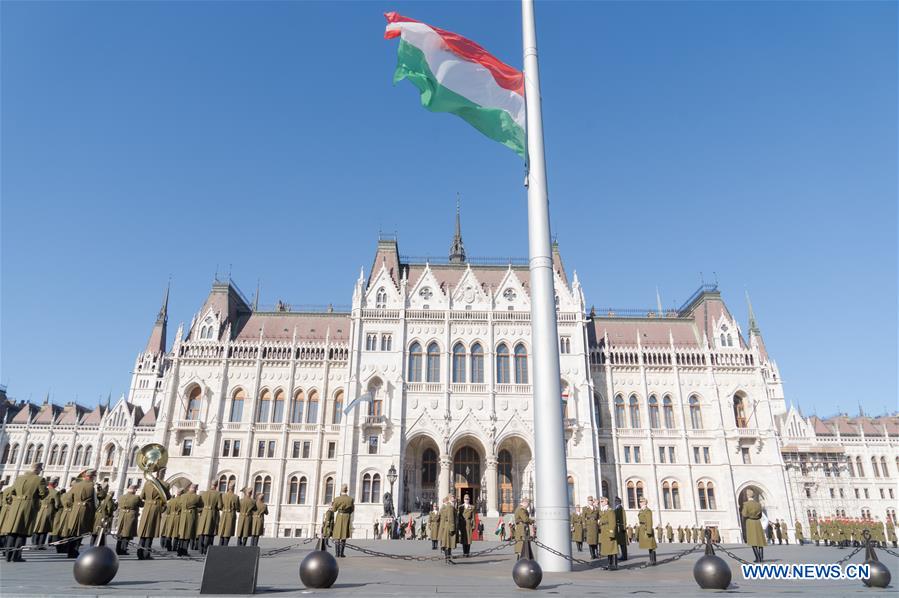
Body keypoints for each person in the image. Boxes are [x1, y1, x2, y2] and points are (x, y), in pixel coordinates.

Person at [4, 462, 48, 562]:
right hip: (28, 506)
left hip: (15, 506)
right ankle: (16, 556)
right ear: (37, 469)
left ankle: (8, 556)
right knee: (22, 532)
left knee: (12, 532)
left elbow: (12, 491)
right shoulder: (39, 479)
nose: (40, 471)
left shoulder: (19, 478)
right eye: (40, 469)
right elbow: (43, 494)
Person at [64, 470, 107, 559]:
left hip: (75, 510)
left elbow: (68, 499)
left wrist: (75, 505)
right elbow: (101, 497)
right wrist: (101, 489)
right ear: (92, 477)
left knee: (73, 531)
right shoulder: (93, 486)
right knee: (80, 532)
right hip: (86, 511)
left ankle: (70, 551)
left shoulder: (76, 485)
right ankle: (74, 551)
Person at [137, 466, 170, 560]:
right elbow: (168, 497)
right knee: (150, 531)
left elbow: (142, 496)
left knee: (143, 531)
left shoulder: (148, 483)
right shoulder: (165, 484)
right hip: (156, 508)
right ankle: (146, 554)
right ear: (163, 473)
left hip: (147, 508)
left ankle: (139, 552)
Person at [31, 477, 61, 550]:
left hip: (40, 510)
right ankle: (40, 545)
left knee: (37, 527)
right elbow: (57, 504)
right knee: (44, 528)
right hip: (48, 511)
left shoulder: (44, 490)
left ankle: (34, 543)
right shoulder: (55, 492)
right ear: (55, 484)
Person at [116, 484, 142, 556]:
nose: (136, 491)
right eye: (136, 490)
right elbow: (142, 504)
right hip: (130, 516)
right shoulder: (136, 497)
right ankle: (123, 549)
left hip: (122, 515)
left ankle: (118, 549)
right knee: (127, 533)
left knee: (120, 533)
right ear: (134, 490)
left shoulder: (121, 497)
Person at [741, 489, 766, 563]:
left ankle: (757, 558)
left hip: (750, 522)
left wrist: (749, 515)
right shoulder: (758, 504)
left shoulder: (746, 504)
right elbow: (760, 515)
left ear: (748, 495)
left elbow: (744, 514)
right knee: (760, 540)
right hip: (757, 522)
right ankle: (761, 557)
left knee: (753, 541)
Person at [197, 483, 221, 555]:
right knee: (209, 531)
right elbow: (219, 506)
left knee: (202, 531)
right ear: (216, 486)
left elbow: (199, 505)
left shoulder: (203, 493)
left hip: (204, 513)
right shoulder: (218, 494)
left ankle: (200, 549)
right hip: (212, 513)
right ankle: (206, 549)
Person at [177, 484, 201, 556]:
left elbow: (179, 505)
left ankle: (179, 550)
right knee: (188, 534)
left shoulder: (182, 496)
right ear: (195, 489)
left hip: (183, 515)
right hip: (191, 515)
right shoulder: (197, 497)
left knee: (182, 533)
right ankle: (184, 551)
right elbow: (201, 505)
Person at [332, 483, 355, 558]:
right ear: (347, 490)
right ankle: (341, 553)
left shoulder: (337, 499)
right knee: (344, 535)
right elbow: (352, 509)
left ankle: (337, 553)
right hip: (346, 517)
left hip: (339, 516)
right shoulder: (350, 499)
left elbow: (334, 510)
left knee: (337, 535)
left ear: (341, 490)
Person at [599, 496, 618, 570]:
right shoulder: (603, 511)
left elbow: (612, 522)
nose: (601, 503)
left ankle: (614, 564)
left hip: (608, 530)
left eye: (602, 501)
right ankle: (609, 564)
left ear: (606, 502)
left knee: (612, 548)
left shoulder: (610, 511)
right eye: (601, 501)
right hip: (604, 531)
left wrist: (611, 533)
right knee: (608, 548)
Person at [218, 481, 239, 546]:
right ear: (233, 488)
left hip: (224, 513)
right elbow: (237, 508)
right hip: (231, 514)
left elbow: (219, 506)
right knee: (228, 531)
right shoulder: (235, 497)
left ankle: (220, 545)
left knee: (222, 530)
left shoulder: (223, 495)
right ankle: (225, 545)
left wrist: (224, 509)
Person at [637, 497, 658, 566]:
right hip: (642, 528)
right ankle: (651, 560)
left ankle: (653, 560)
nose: (639, 503)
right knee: (649, 545)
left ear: (644, 502)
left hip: (646, 529)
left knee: (651, 545)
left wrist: (648, 531)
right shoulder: (642, 510)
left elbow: (649, 521)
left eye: (641, 502)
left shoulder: (647, 511)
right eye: (639, 502)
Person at [163, 486, 182, 551]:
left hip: (171, 517)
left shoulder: (171, 501)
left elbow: (167, 511)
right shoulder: (182, 501)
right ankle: (174, 547)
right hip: (179, 517)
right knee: (176, 534)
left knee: (169, 532)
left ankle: (168, 547)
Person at [438, 495, 457, 563]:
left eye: (454, 497)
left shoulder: (449, 505)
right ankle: (448, 558)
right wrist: (452, 528)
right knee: (448, 543)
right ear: (449, 498)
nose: (454, 498)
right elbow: (450, 518)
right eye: (453, 497)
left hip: (447, 526)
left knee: (447, 543)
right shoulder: (450, 506)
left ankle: (447, 558)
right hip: (449, 527)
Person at [613, 496, 627, 561]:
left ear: (618, 502)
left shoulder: (621, 508)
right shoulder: (616, 508)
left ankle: (624, 556)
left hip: (620, 528)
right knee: (620, 542)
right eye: (615, 501)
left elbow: (623, 518)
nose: (615, 502)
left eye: (616, 501)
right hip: (618, 527)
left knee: (622, 543)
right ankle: (623, 555)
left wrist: (623, 527)